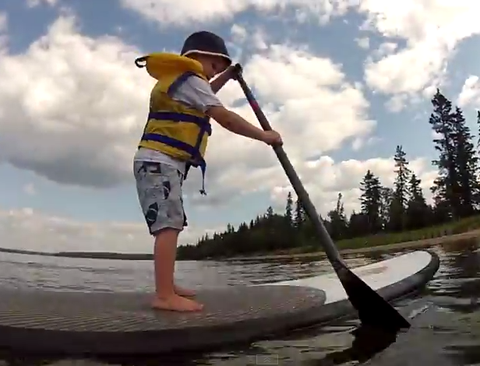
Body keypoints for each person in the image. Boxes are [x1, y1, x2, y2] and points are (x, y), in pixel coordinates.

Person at [133, 31, 283, 312]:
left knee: (172, 223)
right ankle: (164, 295)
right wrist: (265, 135)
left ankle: (168, 285)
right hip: (158, 161)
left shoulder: (186, 81)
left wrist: (228, 76)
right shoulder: (190, 79)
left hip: (162, 162)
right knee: (169, 225)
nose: (216, 73)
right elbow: (225, 117)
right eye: (215, 66)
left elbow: (209, 91)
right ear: (196, 57)